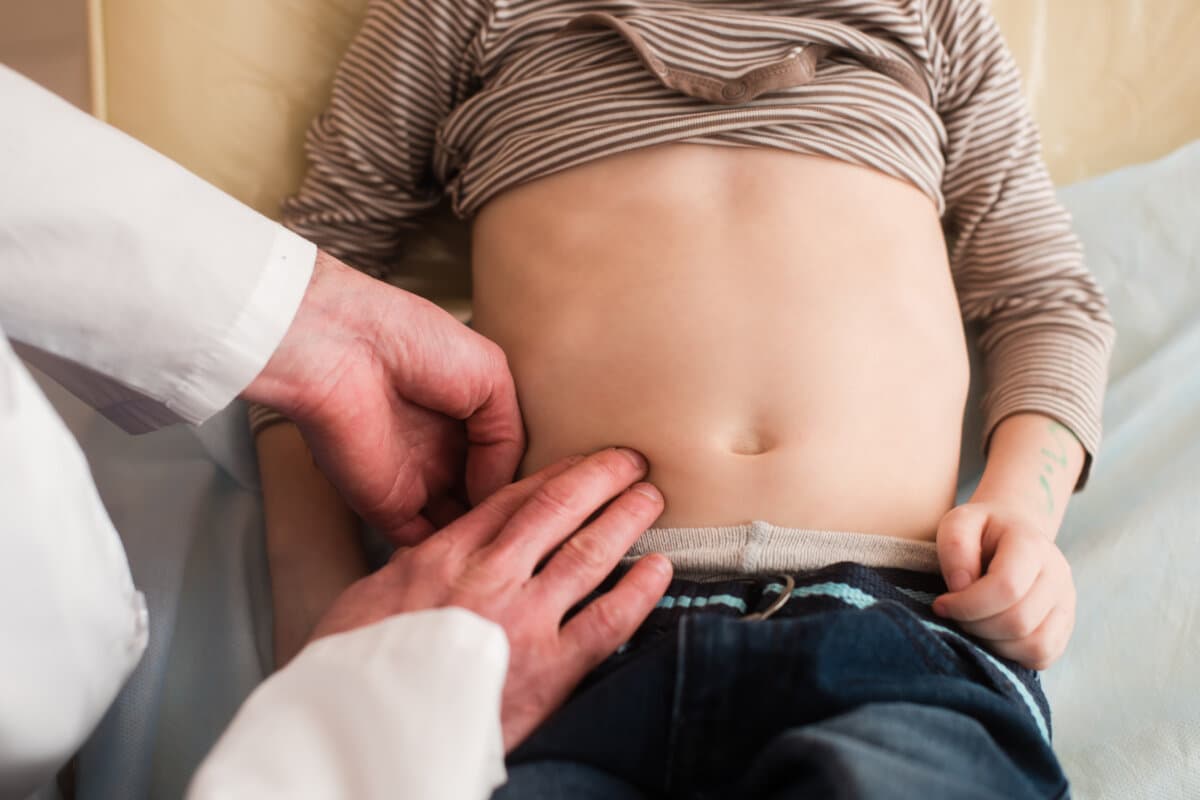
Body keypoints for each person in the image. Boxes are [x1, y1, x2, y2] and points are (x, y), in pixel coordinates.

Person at [255, 0, 1115, 796]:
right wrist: (314, 595)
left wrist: (1021, 517)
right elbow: (305, 290)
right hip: (555, 629)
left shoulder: (927, 12)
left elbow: (1044, 299)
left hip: (895, 622)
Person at [0, 65, 672, 800]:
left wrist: (311, 330)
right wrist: (314, 593)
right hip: (548, 626)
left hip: (798, 590)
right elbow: (338, 217)